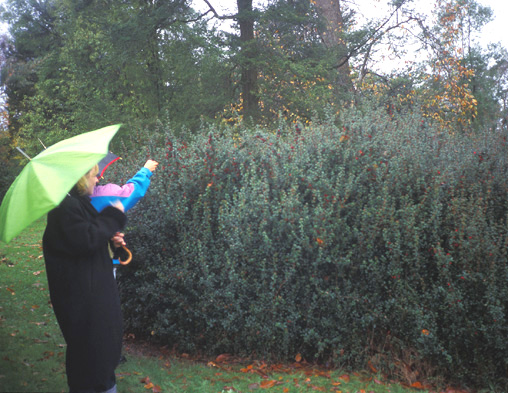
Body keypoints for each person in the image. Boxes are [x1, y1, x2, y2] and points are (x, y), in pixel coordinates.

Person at [43, 164, 127, 393]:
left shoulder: (77, 205)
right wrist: (114, 215)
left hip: (92, 298)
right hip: (83, 304)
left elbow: (89, 243)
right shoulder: (65, 209)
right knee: (92, 361)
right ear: (80, 179)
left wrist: (112, 244)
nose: (98, 180)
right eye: (93, 175)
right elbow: (86, 239)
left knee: (99, 357)